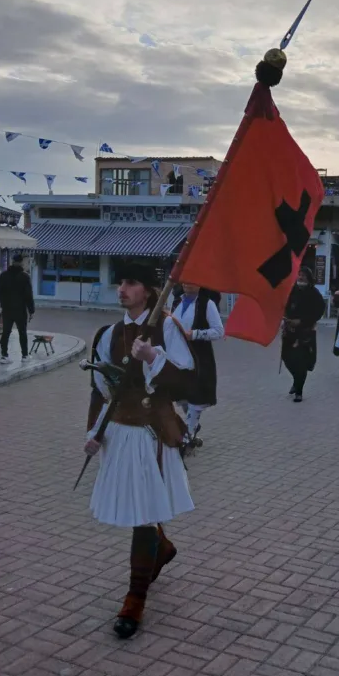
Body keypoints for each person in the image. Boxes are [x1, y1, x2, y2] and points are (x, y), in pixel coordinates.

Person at [84, 263, 195, 639]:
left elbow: (187, 379)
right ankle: (161, 548)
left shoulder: (166, 326)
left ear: (147, 291)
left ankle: (135, 597)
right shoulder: (110, 333)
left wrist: (152, 357)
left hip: (152, 432)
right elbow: (100, 387)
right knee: (139, 507)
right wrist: (94, 431)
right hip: (120, 433)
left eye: (131, 283)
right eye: (121, 282)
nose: (122, 288)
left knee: (143, 514)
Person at [170, 282, 224, 445]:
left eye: (193, 281)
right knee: (183, 394)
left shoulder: (207, 304)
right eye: (185, 280)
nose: (188, 284)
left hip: (199, 355)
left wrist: (195, 334)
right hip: (177, 354)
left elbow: (219, 331)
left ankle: (188, 434)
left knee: (197, 396)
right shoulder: (176, 301)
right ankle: (193, 423)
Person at [281, 267, 325, 401]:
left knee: (301, 362)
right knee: (286, 358)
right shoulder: (291, 291)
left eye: (303, 276)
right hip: (289, 332)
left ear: (309, 278)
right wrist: (285, 317)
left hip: (305, 334)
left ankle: (299, 391)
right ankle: (296, 379)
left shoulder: (314, 294)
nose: (300, 277)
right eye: (299, 275)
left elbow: (318, 312)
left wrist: (301, 321)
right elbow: (283, 305)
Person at [0, 254, 35, 364]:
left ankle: (4, 355)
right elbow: (28, 295)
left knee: (6, 332)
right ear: (22, 262)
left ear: (12, 262)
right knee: (22, 332)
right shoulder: (24, 276)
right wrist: (31, 310)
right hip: (20, 309)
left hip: (7, 309)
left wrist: (3, 303)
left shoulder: (4, 275)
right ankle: (24, 355)